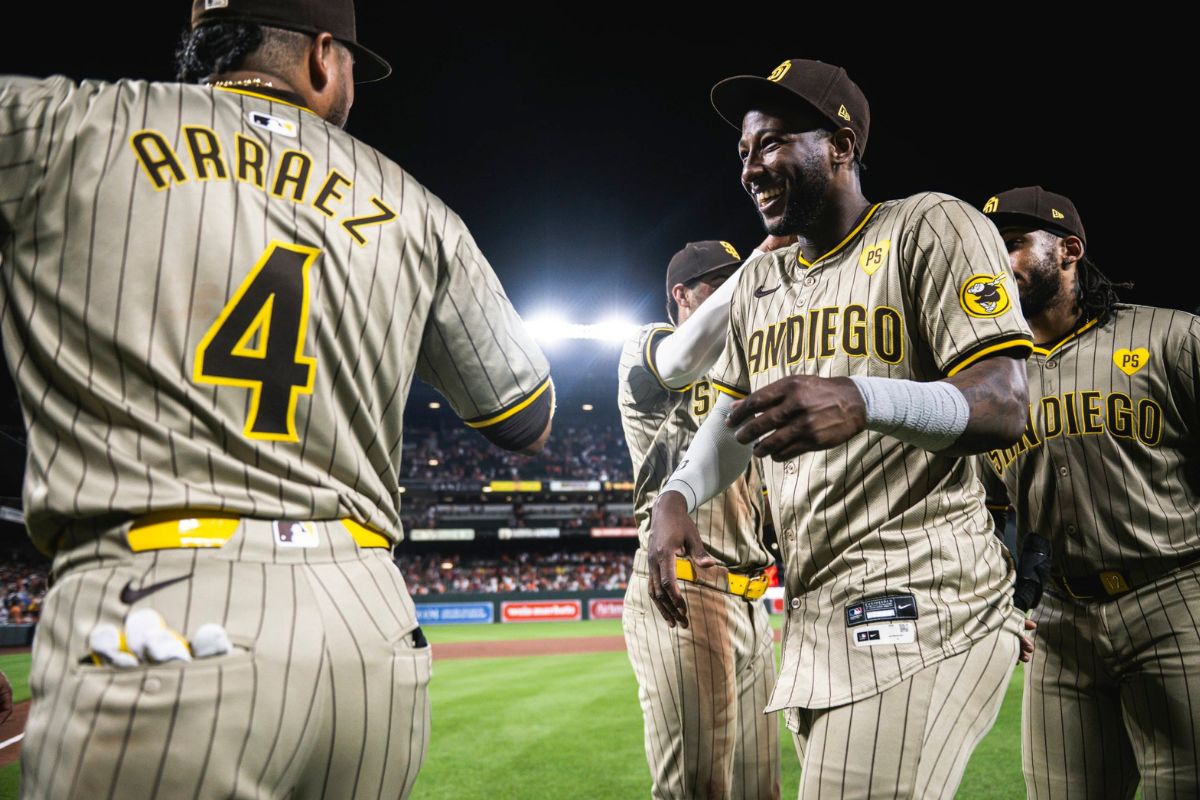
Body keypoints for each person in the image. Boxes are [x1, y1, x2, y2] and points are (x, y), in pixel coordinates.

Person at [0, 1, 553, 798]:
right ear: (324, 57)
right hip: (371, 631)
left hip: (161, 608)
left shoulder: (70, 123)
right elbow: (526, 415)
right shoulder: (419, 210)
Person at [648, 58, 1034, 798]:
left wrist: (865, 397)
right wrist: (676, 497)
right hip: (820, 608)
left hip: (925, 594)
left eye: (772, 144)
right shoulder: (761, 279)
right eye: (743, 153)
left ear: (841, 146)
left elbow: (1004, 401)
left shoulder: (931, 223)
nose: (751, 167)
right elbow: (734, 422)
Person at [980, 186, 1200, 799]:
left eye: (1013, 244)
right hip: (1058, 620)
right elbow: (980, 511)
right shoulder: (985, 378)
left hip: (1174, 599)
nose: (995, 262)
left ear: (1069, 250)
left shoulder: (1173, 338)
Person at [619, 238, 788, 800]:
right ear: (681, 296)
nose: (736, 291)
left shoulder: (748, 369)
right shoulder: (649, 351)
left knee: (760, 791)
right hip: (685, 590)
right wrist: (764, 261)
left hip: (751, 600)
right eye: (717, 284)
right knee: (698, 791)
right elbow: (680, 361)